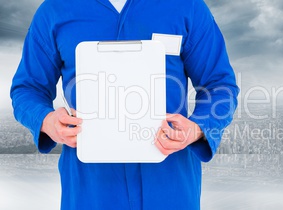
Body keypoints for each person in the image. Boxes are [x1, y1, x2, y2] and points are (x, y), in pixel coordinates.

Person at [10, 0, 239, 209]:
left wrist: (197, 128)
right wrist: (46, 120)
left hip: (171, 188)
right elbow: (28, 89)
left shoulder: (187, 6)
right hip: (90, 192)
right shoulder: (54, 10)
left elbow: (220, 86)